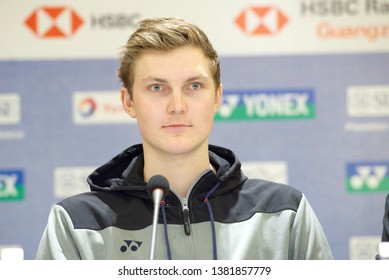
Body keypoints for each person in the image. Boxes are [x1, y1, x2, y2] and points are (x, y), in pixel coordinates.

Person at [36, 17, 333, 260]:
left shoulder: (284, 212)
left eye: (193, 85)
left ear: (216, 98)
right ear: (128, 102)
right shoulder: (76, 224)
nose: (177, 105)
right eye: (156, 88)